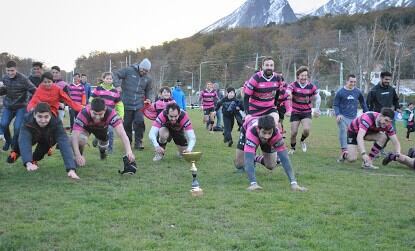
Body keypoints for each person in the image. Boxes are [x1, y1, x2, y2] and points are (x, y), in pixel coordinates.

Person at [235, 115, 307, 191]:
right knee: (240, 164)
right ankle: (252, 156)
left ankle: (255, 157)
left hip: (263, 136)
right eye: (264, 133)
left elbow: (285, 158)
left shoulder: (276, 134)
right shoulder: (251, 132)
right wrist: (253, 184)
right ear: (258, 129)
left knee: (271, 165)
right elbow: (248, 160)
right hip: (247, 128)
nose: (266, 136)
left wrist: (294, 183)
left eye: (269, 133)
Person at [16, 103, 79, 179]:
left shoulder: (56, 122)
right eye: (40, 116)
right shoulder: (27, 119)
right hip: (34, 136)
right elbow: (24, 140)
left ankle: (35, 159)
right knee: (20, 141)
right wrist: (28, 163)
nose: (43, 120)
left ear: (50, 115)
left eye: (46, 117)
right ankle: (15, 152)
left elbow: (64, 144)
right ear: (34, 115)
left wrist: (71, 169)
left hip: (47, 139)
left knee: (38, 155)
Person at [71, 97, 135, 166]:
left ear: (105, 110)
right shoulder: (84, 113)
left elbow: (122, 134)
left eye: (100, 114)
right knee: (81, 139)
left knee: (103, 145)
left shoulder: (111, 113)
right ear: (90, 110)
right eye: (95, 114)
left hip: (102, 128)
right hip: (87, 128)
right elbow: (74, 136)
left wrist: (129, 151)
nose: (97, 117)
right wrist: (77, 155)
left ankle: (102, 152)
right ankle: (79, 157)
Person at [113, 58, 153, 150]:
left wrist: (148, 99)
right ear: (140, 66)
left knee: (139, 122)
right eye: (143, 70)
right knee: (126, 124)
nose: (144, 72)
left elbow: (148, 91)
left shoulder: (148, 78)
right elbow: (115, 75)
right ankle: (128, 142)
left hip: (139, 104)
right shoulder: (128, 70)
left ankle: (139, 142)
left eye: (146, 71)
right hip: (126, 103)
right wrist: (117, 85)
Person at [0, 61, 36, 153]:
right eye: (8, 71)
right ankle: (8, 141)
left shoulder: (23, 79)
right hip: (8, 106)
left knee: (17, 127)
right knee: (3, 124)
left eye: (12, 70)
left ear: (16, 69)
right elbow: (4, 91)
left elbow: (34, 90)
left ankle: (14, 144)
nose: (10, 73)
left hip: (21, 106)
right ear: (5, 70)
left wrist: (35, 102)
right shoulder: (5, 78)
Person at [286, 66, 321, 154]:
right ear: (298, 76)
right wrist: (289, 94)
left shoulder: (311, 86)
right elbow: (288, 91)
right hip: (295, 112)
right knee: (293, 133)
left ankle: (302, 140)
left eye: (305, 75)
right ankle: (293, 148)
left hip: (306, 112)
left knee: (306, 130)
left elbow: (318, 97)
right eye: (302, 75)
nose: (304, 77)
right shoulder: (293, 85)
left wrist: (317, 110)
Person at [333, 74, 368, 161]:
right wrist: (338, 114)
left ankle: (349, 154)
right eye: (351, 81)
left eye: (354, 82)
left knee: (355, 136)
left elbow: (363, 103)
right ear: (347, 81)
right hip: (342, 117)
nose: (353, 83)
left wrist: (367, 113)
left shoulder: (358, 92)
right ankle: (344, 150)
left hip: (354, 118)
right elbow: (336, 104)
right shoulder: (340, 92)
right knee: (343, 130)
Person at [90, 72, 124, 153]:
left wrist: (121, 115)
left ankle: (110, 149)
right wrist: (92, 109)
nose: (109, 80)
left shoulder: (115, 91)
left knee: (111, 131)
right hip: (99, 114)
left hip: (110, 115)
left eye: (110, 79)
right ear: (103, 79)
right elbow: (91, 99)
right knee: (101, 130)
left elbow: (119, 104)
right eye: (107, 78)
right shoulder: (98, 89)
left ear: (112, 80)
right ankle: (97, 138)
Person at [243, 57, 282, 126]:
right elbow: (246, 97)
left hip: (270, 109)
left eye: (271, 65)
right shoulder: (256, 78)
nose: (269, 67)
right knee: (257, 131)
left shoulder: (277, 78)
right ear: (262, 66)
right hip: (255, 111)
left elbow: (278, 92)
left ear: (273, 67)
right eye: (267, 65)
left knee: (274, 124)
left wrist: (275, 105)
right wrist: (247, 114)